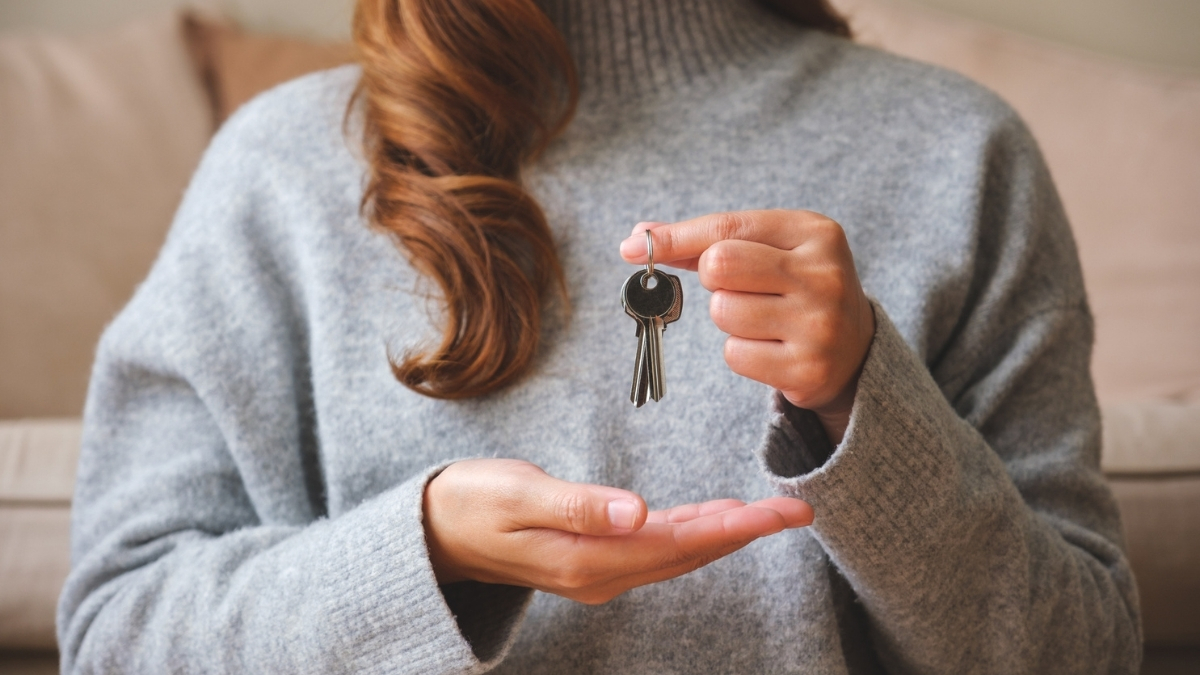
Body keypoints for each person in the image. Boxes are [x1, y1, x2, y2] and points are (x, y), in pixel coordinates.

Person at [57, 0, 1141, 672]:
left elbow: (1076, 654)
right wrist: (425, 555)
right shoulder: (282, 169)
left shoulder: (960, 153)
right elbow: (117, 634)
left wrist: (868, 402)